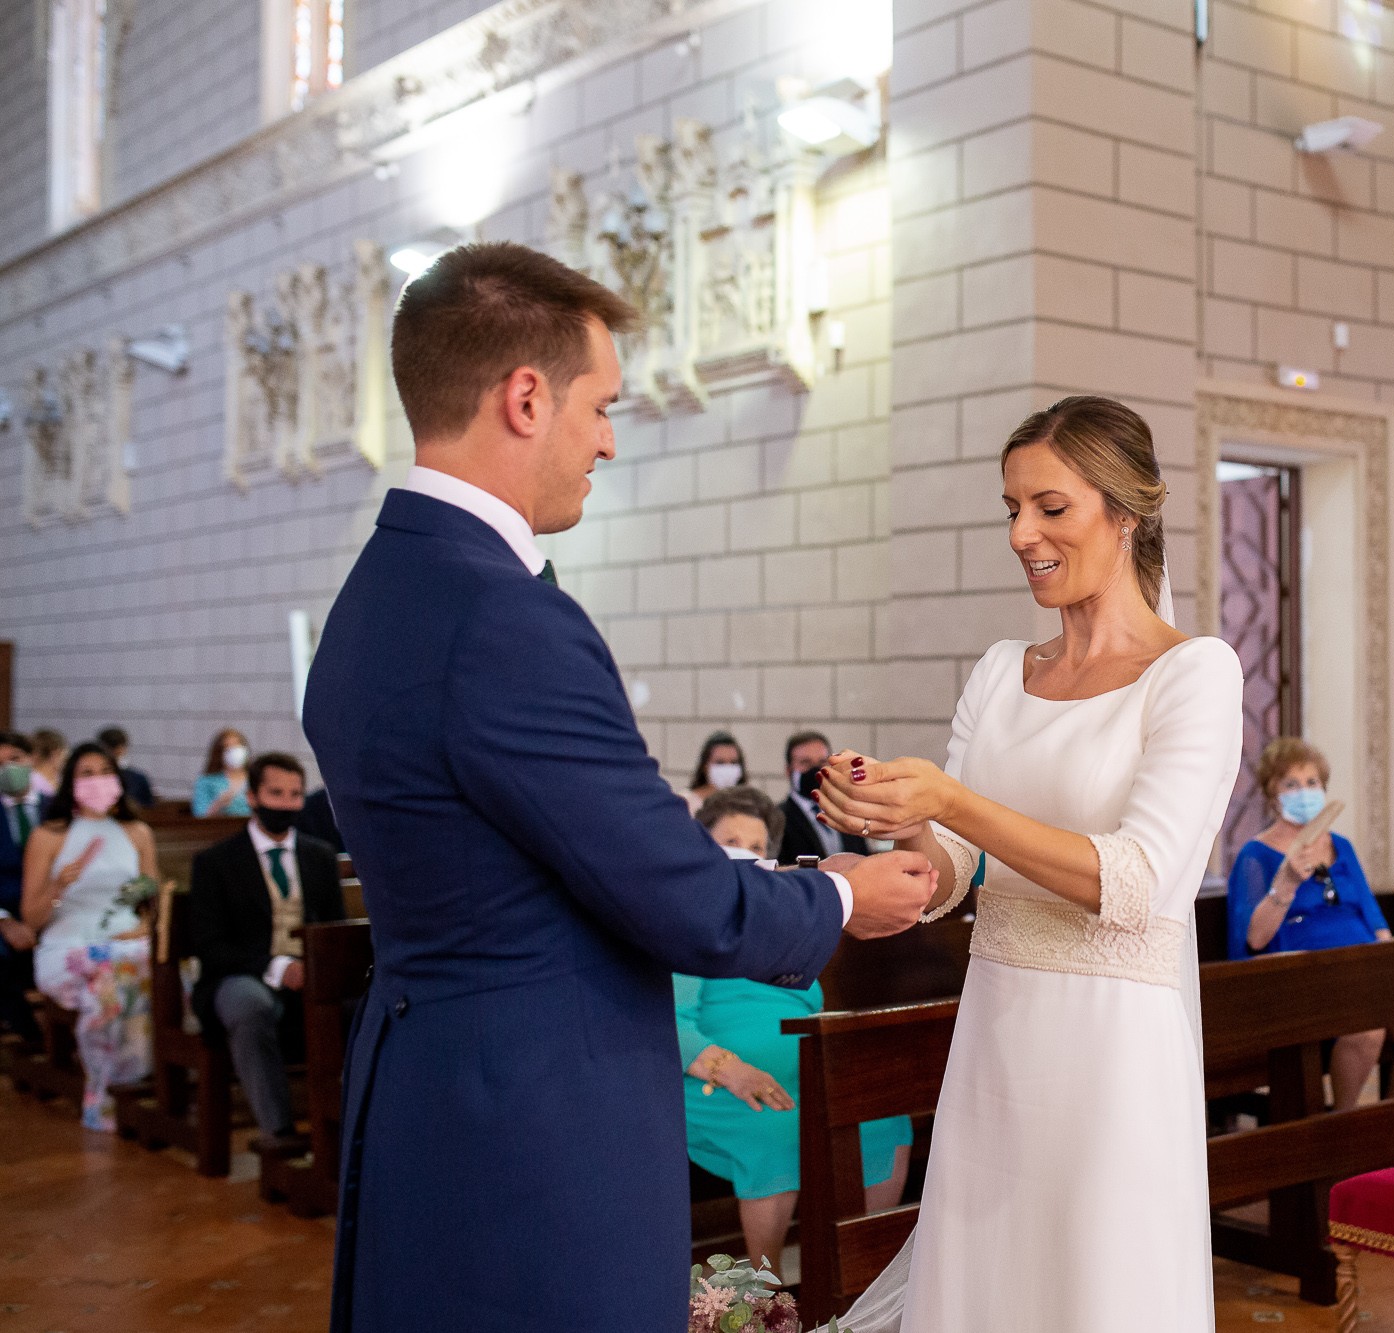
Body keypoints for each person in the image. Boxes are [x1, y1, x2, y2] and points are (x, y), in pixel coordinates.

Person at [301, 241, 934, 1333]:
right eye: (600, 405)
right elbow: (670, 888)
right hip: (539, 1113)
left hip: (431, 1079)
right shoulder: (503, 616)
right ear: (525, 395)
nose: (605, 439)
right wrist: (837, 894)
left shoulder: (376, 593)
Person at [812, 395, 1244, 1331]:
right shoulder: (1002, 668)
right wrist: (893, 817)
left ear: (1124, 513)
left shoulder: (1196, 672)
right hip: (998, 1038)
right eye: (1011, 508)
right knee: (986, 1288)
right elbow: (955, 870)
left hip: (1112, 1054)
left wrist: (953, 801)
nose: (1023, 533)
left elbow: (1136, 883)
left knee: (1096, 1290)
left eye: (1050, 507)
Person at [681, 785, 912, 1269]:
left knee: (882, 1122)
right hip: (712, 1072)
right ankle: (765, 1299)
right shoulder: (687, 911)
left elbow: (814, 996)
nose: (744, 855)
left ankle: (857, 1278)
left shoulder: (781, 907)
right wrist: (733, 1070)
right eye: (730, 842)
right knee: (777, 1132)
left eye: (757, 847)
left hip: (799, 1061)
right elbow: (670, 1022)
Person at [1226, 737, 1394, 1109]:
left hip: (1361, 969)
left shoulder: (1340, 845)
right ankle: (1342, 1126)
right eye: (1291, 784)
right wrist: (1287, 883)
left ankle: (1383, 1126)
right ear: (1271, 793)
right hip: (1304, 977)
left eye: (1312, 783)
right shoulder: (1255, 855)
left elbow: (1373, 916)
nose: (1304, 792)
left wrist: (1390, 965)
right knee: (1367, 1030)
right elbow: (1253, 940)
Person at [185, 753, 343, 1150]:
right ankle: (279, 1131)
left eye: (294, 795)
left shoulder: (320, 856)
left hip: (311, 973)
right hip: (240, 974)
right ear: (253, 797)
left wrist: (315, 966)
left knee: (366, 1003)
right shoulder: (216, 862)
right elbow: (210, 945)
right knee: (250, 1004)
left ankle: (346, 1122)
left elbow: (334, 929)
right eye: (276, 793)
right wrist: (277, 967)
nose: (287, 804)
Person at [20, 742, 157, 1130]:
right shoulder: (49, 836)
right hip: (68, 945)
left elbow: (151, 899)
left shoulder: (136, 832)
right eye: (86, 773)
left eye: (104, 771)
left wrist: (143, 925)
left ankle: (150, 1082)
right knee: (109, 977)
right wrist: (57, 887)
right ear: (71, 782)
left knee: (170, 968)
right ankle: (107, 1091)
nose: (97, 780)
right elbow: (31, 917)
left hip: (128, 939)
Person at [0, 731, 45, 1050]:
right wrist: (4, 920)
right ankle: (31, 1035)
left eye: (14, 759)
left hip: (52, 907)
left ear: (31, 760)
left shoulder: (57, 809)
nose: (8, 769)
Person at [776, 730, 867, 866]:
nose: (815, 769)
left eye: (822, 761)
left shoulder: (847, 811)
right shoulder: (777, 818)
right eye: (805, 762)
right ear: (789, 770)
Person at [193, 729, 253, 817]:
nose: (234, 751)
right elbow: (200, 816)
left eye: (237, 746)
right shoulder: (207, 781)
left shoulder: (256, 778)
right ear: (219, 753)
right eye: (228, 747)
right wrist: (218, 804)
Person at [97, 727, 156, 809]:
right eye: (111, 750)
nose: (115, 755)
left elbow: (149, 808)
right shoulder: (96, 779)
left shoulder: (138, 778)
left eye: (119, 751)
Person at [686, 731, 745, 809]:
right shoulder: (686, 802)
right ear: (705, 766)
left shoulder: (747, 804)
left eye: (733, 762)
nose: (727, 768)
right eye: (720, 762)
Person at [28, 728, 66, 799]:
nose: (65, 760)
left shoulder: (61, 779)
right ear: (56, 753)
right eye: (64, 755)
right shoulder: (31, 780)